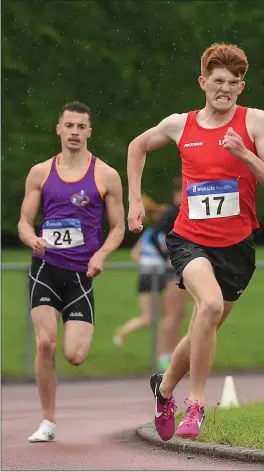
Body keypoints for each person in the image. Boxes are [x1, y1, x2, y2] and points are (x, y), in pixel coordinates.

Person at [127, 43, 264, 441]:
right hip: (190, 240)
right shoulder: (179, 124)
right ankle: (197, 404)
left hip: (237, 244)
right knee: (211, 305)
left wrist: (244, 154)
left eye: (232, 83)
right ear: (203, 82)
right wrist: (135, 199)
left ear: (241, 87)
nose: (224, 89)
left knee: (207, 322)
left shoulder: (254, 122)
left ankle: (163, 388)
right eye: (217, 81)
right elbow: (137, 147)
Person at [18, 101, 125, 442]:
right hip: (45, 270)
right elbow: (23, 221)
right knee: (46, 343)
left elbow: (119, 227)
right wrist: (32, 238)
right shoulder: (40, 172)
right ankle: (47, 421)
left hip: (81, 274)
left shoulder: (105, 175)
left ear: (89, 131)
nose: (75, 132)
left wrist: (102, 254)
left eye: (81, 126)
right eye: (70, 126)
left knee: (75, 355)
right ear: (59, 129)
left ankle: (51, 412)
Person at [113, 195, 168, 352]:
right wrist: (150, 263)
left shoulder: (157, 233)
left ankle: (162, 353)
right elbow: (135, 253)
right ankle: (121, 333)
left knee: (164, 318)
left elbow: (135, 254)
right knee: (148, 319)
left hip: (158, 275)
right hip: (151, 276)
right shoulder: (153, 234)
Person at [151, 178, 188, 371]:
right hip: (174, 269)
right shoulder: (172, 212)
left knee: (180, 313)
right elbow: (153, 234)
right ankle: (164, 356)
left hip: (186, 267)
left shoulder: (187, 212)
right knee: (172, 314)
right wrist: (166, 254)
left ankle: (174, 353)